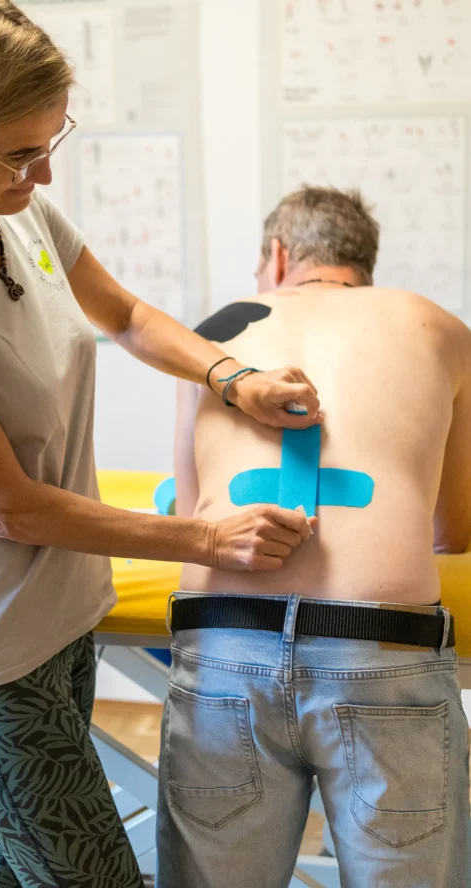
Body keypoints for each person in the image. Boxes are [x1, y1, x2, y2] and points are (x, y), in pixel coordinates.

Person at [0, 0, 319, 888]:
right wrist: (207, 538)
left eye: (52, 142)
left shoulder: (19, 220)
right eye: (21, 154)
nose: (44, 176)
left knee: (3, 872)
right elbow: (8, 507)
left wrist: (231, 375)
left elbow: (125, 313)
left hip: (61, 626)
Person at [158, 185, 471, 888]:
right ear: (364, 265)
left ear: (276, 257)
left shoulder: (208, 341)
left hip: (224, 642)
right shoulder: (436, 327)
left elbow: (189, 513)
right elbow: (453, 530)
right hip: (382, 648)